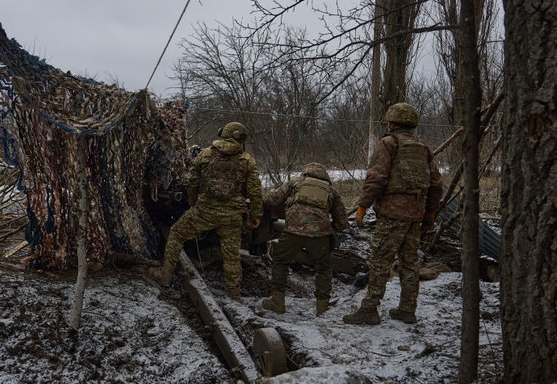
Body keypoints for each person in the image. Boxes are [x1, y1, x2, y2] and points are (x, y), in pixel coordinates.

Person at [343, 102, 443, 325]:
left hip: (391, 215)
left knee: (379, 261)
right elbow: (436, 184)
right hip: (415, 215)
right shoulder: (424, 148)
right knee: (410, 263)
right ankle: (407, 310)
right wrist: (429, 214)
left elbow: (376, 178)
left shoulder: (388, 143)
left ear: (392, 122)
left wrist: (362, 207)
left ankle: (369, 309)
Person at [149, 122, 263, 300]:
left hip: (204, 211)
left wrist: (194, 204)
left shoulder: (205, 155)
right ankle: (235, 294)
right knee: (232, 256)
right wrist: (256, 215)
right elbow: (255, 191)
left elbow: (192, 183)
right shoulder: (247, 160)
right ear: (240, 139)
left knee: (176, 234)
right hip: (232, 216)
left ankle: (165, 275)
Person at [261, 162, 346, 316]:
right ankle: (322, 308)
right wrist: (330, 230)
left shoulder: (295, 182)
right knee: (323, 268)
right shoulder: (331, 191)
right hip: (319, 235)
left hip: (292, 232)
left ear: (306, 173)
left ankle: (277, 302)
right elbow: (342, 222)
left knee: (280, 262)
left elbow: (271, 200)